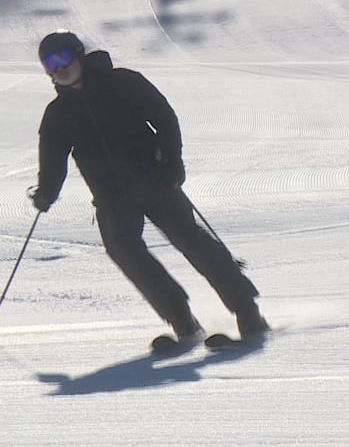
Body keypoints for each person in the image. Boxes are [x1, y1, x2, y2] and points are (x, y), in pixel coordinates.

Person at [30, 30, 269, 348]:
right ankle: (182, 321)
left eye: (61, 58)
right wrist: (46, 191)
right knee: (123, 248)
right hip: (111, 196)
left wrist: (172, 162)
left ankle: (247, 312)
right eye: (48, 64)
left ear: (78, 55)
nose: (57, 68)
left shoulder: (123, 83)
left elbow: (164, 118)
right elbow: (52, 157)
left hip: (153, 179)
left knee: (190, 240)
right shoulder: (58, 114)